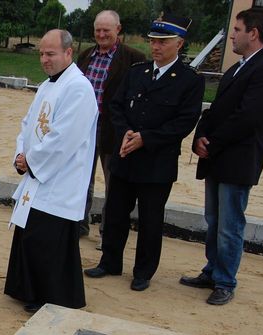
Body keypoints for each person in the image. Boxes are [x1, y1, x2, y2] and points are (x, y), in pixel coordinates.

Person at [84, 15, 204, 292]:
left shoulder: (188, 80)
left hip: (156, 162)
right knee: (115, 212)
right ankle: (110, 260)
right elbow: (116, 105)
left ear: (179, 43)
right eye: (153, 41)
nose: (156, 47)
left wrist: (146, 139)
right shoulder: (137, 71)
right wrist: (125, 132)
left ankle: (143, 271)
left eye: (163, 42)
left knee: (150, 219)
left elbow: (184, 122)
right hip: (126, 154)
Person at [180, 9, 263, 306]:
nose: (233, 35)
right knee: (213, 220)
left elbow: (248, 117)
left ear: (254, 33)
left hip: (237, 160)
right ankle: (212, 271)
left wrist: (212, 142)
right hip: (216, 157)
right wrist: (200, 134)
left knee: (230, 225)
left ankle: (225, 281)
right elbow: (215, 109)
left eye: (238, 29)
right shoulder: (237, 68)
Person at [4, 29, 98, 314]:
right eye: (42, 54)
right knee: (30, 233)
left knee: (47, 238)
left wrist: (31, 161)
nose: (44, 59)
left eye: (51, 54)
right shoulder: (47, 85)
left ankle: (49, 294)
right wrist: (21, 154)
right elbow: (27, 125)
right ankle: (27, 288)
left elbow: (64, 138)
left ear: (68, 53)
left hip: (60, 179)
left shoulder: (79, 88)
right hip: (37, 172)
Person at [76, 10, 146, 245]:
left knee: (113, 184)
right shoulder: (85, 56)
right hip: (84, 129)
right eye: (98, 30)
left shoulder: (134, 58)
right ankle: (78, 224)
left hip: (114, 131)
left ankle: (108, 233)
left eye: (107, 29)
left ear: (118, 29)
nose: (102, 34)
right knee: (81, 179)